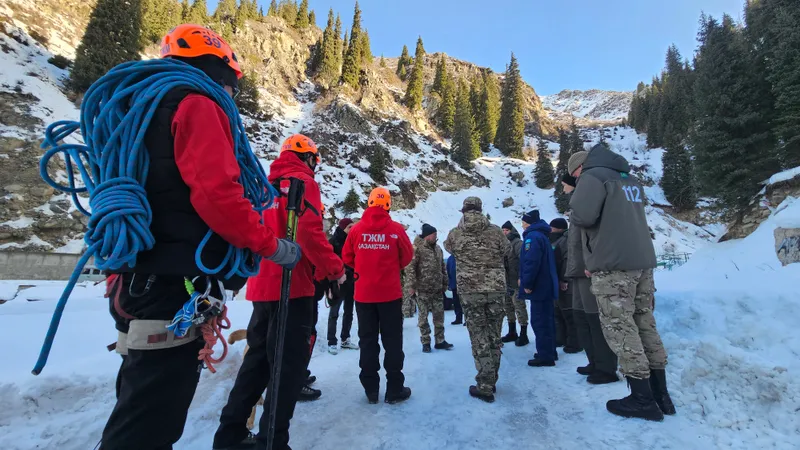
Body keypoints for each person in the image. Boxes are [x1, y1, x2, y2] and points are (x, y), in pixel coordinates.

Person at [101, 25, 301, 450]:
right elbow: (218, 195)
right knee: (150, 422)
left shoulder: (138, 106)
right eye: (231, 88)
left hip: (135, 276)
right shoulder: (196, 102)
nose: (231, 98)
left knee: (138, 404)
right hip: (173, 282)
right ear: (220, 71)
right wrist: (270, 245)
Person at [214, 134, 346, 450]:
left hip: (262, 285)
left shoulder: (262, 185)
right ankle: (273, 441)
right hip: (294, 287)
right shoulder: (303, 182)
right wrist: (335, 270)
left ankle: (229, 435)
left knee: (257, 364)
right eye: (315, 159)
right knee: (287, 370)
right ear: (308, 157)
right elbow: (310, 233)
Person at [569, 144, 675, 421]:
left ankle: (642, 399)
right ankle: (660, 394)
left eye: (574, 175)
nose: (576, 180)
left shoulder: (592, 178)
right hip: (642, 261)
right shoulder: (628, 178)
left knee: (620, 326)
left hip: (613, 264)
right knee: (644, 322)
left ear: (579, 168)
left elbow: (582, 216)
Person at [342, 187, 415, 405]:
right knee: (392, 342)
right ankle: (394, 389)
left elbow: (346, 256)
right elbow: (407, 256)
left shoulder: (356, 230)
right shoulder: (395, 229)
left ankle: (371, 389)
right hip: (390, 295)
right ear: (388, 204)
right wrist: (391, 268)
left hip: (364, 295)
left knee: (367, 341)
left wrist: (364, 270)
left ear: (369, 203)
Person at [444, 197, 509, 403]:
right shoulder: (497, 231)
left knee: (478, 336)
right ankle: (492, 379)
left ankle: (485, 384)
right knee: (494, 335)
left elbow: (449, 248)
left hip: (470, 291)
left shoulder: (455, 233)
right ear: (481, 209)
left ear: (463, 210)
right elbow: (506, 250)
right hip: (496, 289)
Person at [562, 174, 619, 386]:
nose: (563, 190)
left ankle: (606, 368)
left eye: (564, 185)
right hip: (577, 270)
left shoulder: (587, 200)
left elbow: (594, 236)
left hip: (588, 270)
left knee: (595, 320)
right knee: (581, 318)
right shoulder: (577, 203)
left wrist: (591, 263)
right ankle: (594, 362)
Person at [518, 210, 559, 367]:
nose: (522, 224)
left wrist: (527, 283)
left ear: (528, 223)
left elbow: (531, 262)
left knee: (539, 320)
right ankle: (549, 350)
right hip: (546, 285)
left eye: (523, 221)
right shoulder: (541, 235)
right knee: (547, 320)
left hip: (539, 286)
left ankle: (545, 355)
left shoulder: (532, 237)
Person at [407, 224, 454, 353]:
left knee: (439, 317)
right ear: (427, 235)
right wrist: (411, 286)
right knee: (423, 318)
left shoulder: (438, 249)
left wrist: (445, 283)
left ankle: (440, 340)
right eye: (434, 234)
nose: (436, 237)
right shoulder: (417, 249)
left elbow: (442, 268)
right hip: (422, 290)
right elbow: (410, 268)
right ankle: (426, 342)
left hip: (437, 290)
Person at [327, 218, 359, 354]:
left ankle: (345, 338)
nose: (352, 229)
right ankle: (331, 341)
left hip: (351, 281)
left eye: (353, 226)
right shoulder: (333, 242)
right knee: (334, 312)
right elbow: (328, 262)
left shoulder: (354, 241)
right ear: (343, 228)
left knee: (349, 312)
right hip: (337, 282)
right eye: (349, 227)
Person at [550, 217, 581, 354]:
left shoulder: (564, 241)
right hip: (558, 282)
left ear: (559, 228)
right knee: (558, 312)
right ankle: (561, 338)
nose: (550, 230)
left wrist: (564, 280)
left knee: (569, 313)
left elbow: (567, 262)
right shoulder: (556, 240)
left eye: (553, 227)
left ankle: (575, 343)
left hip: (566, 283)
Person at [500, 221, 529, 346]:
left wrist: (521, 276)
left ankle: (524, 333)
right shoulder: (502, 245)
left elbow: (524, 260)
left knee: (519, 307)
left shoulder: (517, 243)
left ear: (512, 231)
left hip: (516, 281)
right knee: (508, 307)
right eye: (503, 230)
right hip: (506, 282)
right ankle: (512, 331)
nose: (504, 232)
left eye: (506, 230)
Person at [447, 254, 464, 325]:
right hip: (454, 284)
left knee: (465, 303)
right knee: (456, 302)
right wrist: (449, 283)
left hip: (464, 284)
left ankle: (468, 319)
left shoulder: (463, 255)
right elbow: (448, 271)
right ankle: (458, 318)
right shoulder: (450, 258)